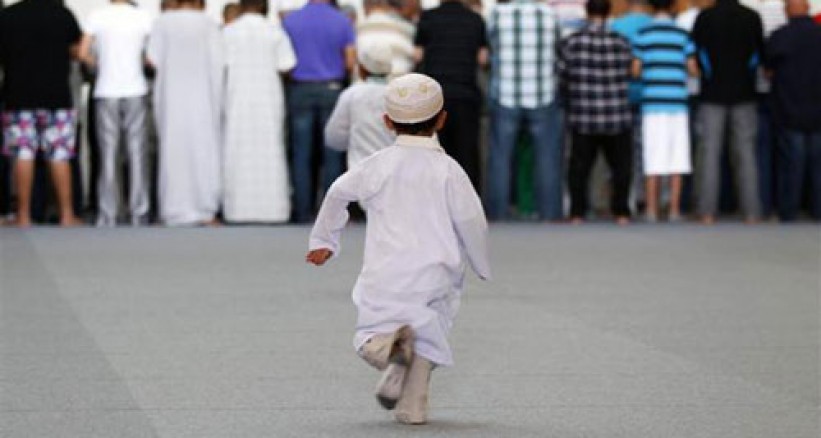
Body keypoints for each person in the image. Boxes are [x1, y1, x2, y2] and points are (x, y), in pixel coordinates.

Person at [306, 73, 490, 425]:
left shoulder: (376, 165)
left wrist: (324, 241)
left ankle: (386, 350)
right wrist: (481, 263)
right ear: (442, 119)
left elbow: (337, 192)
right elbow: (472, 219)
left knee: (371, 334)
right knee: (427, 341)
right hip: (437, 272)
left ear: (387, 122)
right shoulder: (449, 170)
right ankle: (412, 409)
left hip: (386, 271)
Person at [0, 0, 84, 227]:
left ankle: (23, 215)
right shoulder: (63, 14)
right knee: (59, 154)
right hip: (57, 96)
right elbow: (77, 51)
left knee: (23, 154)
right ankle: (67, 215)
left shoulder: (8, 16)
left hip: (18, 96)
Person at [147, 0, 224, 226]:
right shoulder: (209, 24)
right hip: (203, 98)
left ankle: (173, 209)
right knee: (204, 151)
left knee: (173, 152)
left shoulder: (162, 23)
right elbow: (219, 62)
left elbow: (152, 59)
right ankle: (205, 209)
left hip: (171, 98)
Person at [485, 0, 563, 221]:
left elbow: (490, 46)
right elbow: (558, 47)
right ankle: (550, 214)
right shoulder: (549, 14)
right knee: (547, 157)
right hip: (542, 93)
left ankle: (497, 213)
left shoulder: (497, 14)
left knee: (500, 158)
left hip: (506, 94)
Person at [560, 0, 634, 225]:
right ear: (608, 13)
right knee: (620, 167)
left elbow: (562, 75)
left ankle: (577, 213)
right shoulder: (621, 42)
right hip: (616, 115)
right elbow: (629, 72)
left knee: (579, 168)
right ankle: (621, 212)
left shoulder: (572, 42)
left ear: (587, 11)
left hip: (584, 115)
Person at [79, 0, 152, 227]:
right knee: (137, 152)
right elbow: (150, 57)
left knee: (108, 153)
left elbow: (82, 53)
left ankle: (107, 213)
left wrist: (99, 64)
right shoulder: (143, 17)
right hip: (136, 89)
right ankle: (139, 212)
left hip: (106, 89)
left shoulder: (97, 16)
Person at [222, 0, 296, 224]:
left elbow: (220, 65)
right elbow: (287, 65)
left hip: (238, 98)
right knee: (270, 149)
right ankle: (273, 210)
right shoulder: (275, 32)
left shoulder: (228, 32)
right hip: (268, 98)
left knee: (237, 149)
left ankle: (237, 210)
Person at [283, 0, 356, 223]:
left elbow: (285, 62)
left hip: (300, 89)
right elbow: (350, 62)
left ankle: (302, 211)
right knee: (332, 152)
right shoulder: (342, 21)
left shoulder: (290, 21)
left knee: (301, 153)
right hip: (331, 89)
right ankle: (331, 214)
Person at [692, 0, 764, 224]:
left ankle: (707, 212)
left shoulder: (705, 17)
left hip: (712, 93)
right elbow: (757, 56)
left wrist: (709, 74)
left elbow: (698, 54)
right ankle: (752, 212)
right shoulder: (752, 17)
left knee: (709, 153)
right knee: (746, 153)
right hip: (745, 93)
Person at [633, 0, 698, 222]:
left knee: (653, 157)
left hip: (652, 103)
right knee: (677, 157)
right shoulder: (682, 34)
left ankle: (651, 210)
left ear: (651, 7)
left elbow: (635, 69)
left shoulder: (643, 34)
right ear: (672, 7)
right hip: (677, 103)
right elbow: (692, 69)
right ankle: (674, 210)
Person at [414, 0, 488, 193]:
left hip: (435, 98)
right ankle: (468, 200)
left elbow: (417, 56)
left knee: (435, 153)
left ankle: (436, 199)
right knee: (467, 154)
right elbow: (482, 59)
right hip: (466, 95)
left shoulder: (428, 18)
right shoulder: (475, 19)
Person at [765, 0, 821, 221]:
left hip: (789, 108)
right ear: (808, 8)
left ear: (786, 11)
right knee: (818, 165)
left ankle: (788, 211)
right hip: (818, 111)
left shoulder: (779, 36)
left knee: (791, 164)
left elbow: (768, 70)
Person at [324, 42, 395, 169]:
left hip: (360, 170)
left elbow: (334, 138)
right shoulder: (397, 94)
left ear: (362, 69)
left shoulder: (351, 94)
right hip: (393, 170)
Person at [357, 0, 415, 77]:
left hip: (370, 78)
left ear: (365, 7)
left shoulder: (359, 30)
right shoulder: (406, 28)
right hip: (402, 76)